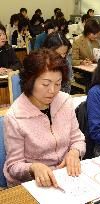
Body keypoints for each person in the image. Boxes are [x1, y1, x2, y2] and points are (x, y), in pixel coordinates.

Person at [3, 48, 86, 187]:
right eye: (45, 84)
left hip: (66, 176)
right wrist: (33, 167)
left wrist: (74, 152)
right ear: (30, 81)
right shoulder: (15, 117)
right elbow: (13, 166)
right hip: (33, 184)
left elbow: (78, 139)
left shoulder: (65, 101)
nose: (52, 91)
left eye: (58, 84)